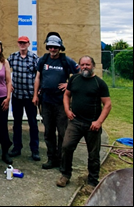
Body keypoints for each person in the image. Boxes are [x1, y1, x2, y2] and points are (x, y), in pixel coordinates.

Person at [56, 55, 111, 192]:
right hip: (75, 122)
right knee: (67, 147)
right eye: (82, 64)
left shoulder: (99, 83)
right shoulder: (74, 79)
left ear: (93, 66)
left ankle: (92, 182)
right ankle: (65, 175)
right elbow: (67, 95)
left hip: (92, 125)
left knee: (93, 154)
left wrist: (99, 122)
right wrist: (67, 110)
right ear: (79, 66)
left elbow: (107, 104)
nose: (85, 67)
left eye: (87, 64)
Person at [32, 32, 79, 169]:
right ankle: (51, 159)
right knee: (48, 132)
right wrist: (35, 95)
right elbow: (38, 78)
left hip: (61, 103)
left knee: (63, 132)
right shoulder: (43, 60)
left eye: (55, 47)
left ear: (60, 47)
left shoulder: (66, 61)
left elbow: (79, 73)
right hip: (46, 101)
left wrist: (68, 84)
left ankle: (62, 161)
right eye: (50, 47)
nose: (52, 50)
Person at [7, 36, 41, 161]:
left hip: (30, 96)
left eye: (24, 43)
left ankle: (35, 150)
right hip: (17, 96)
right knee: (17, 123)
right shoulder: (13, 57)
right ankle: (17, 147)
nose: (22, 45)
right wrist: (8, 85)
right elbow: (4, 69)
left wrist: (36, 94)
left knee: (33, 123)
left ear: (28, 44)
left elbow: (39, 76)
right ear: (18, 44)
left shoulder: (34, 58)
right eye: (20, 43)